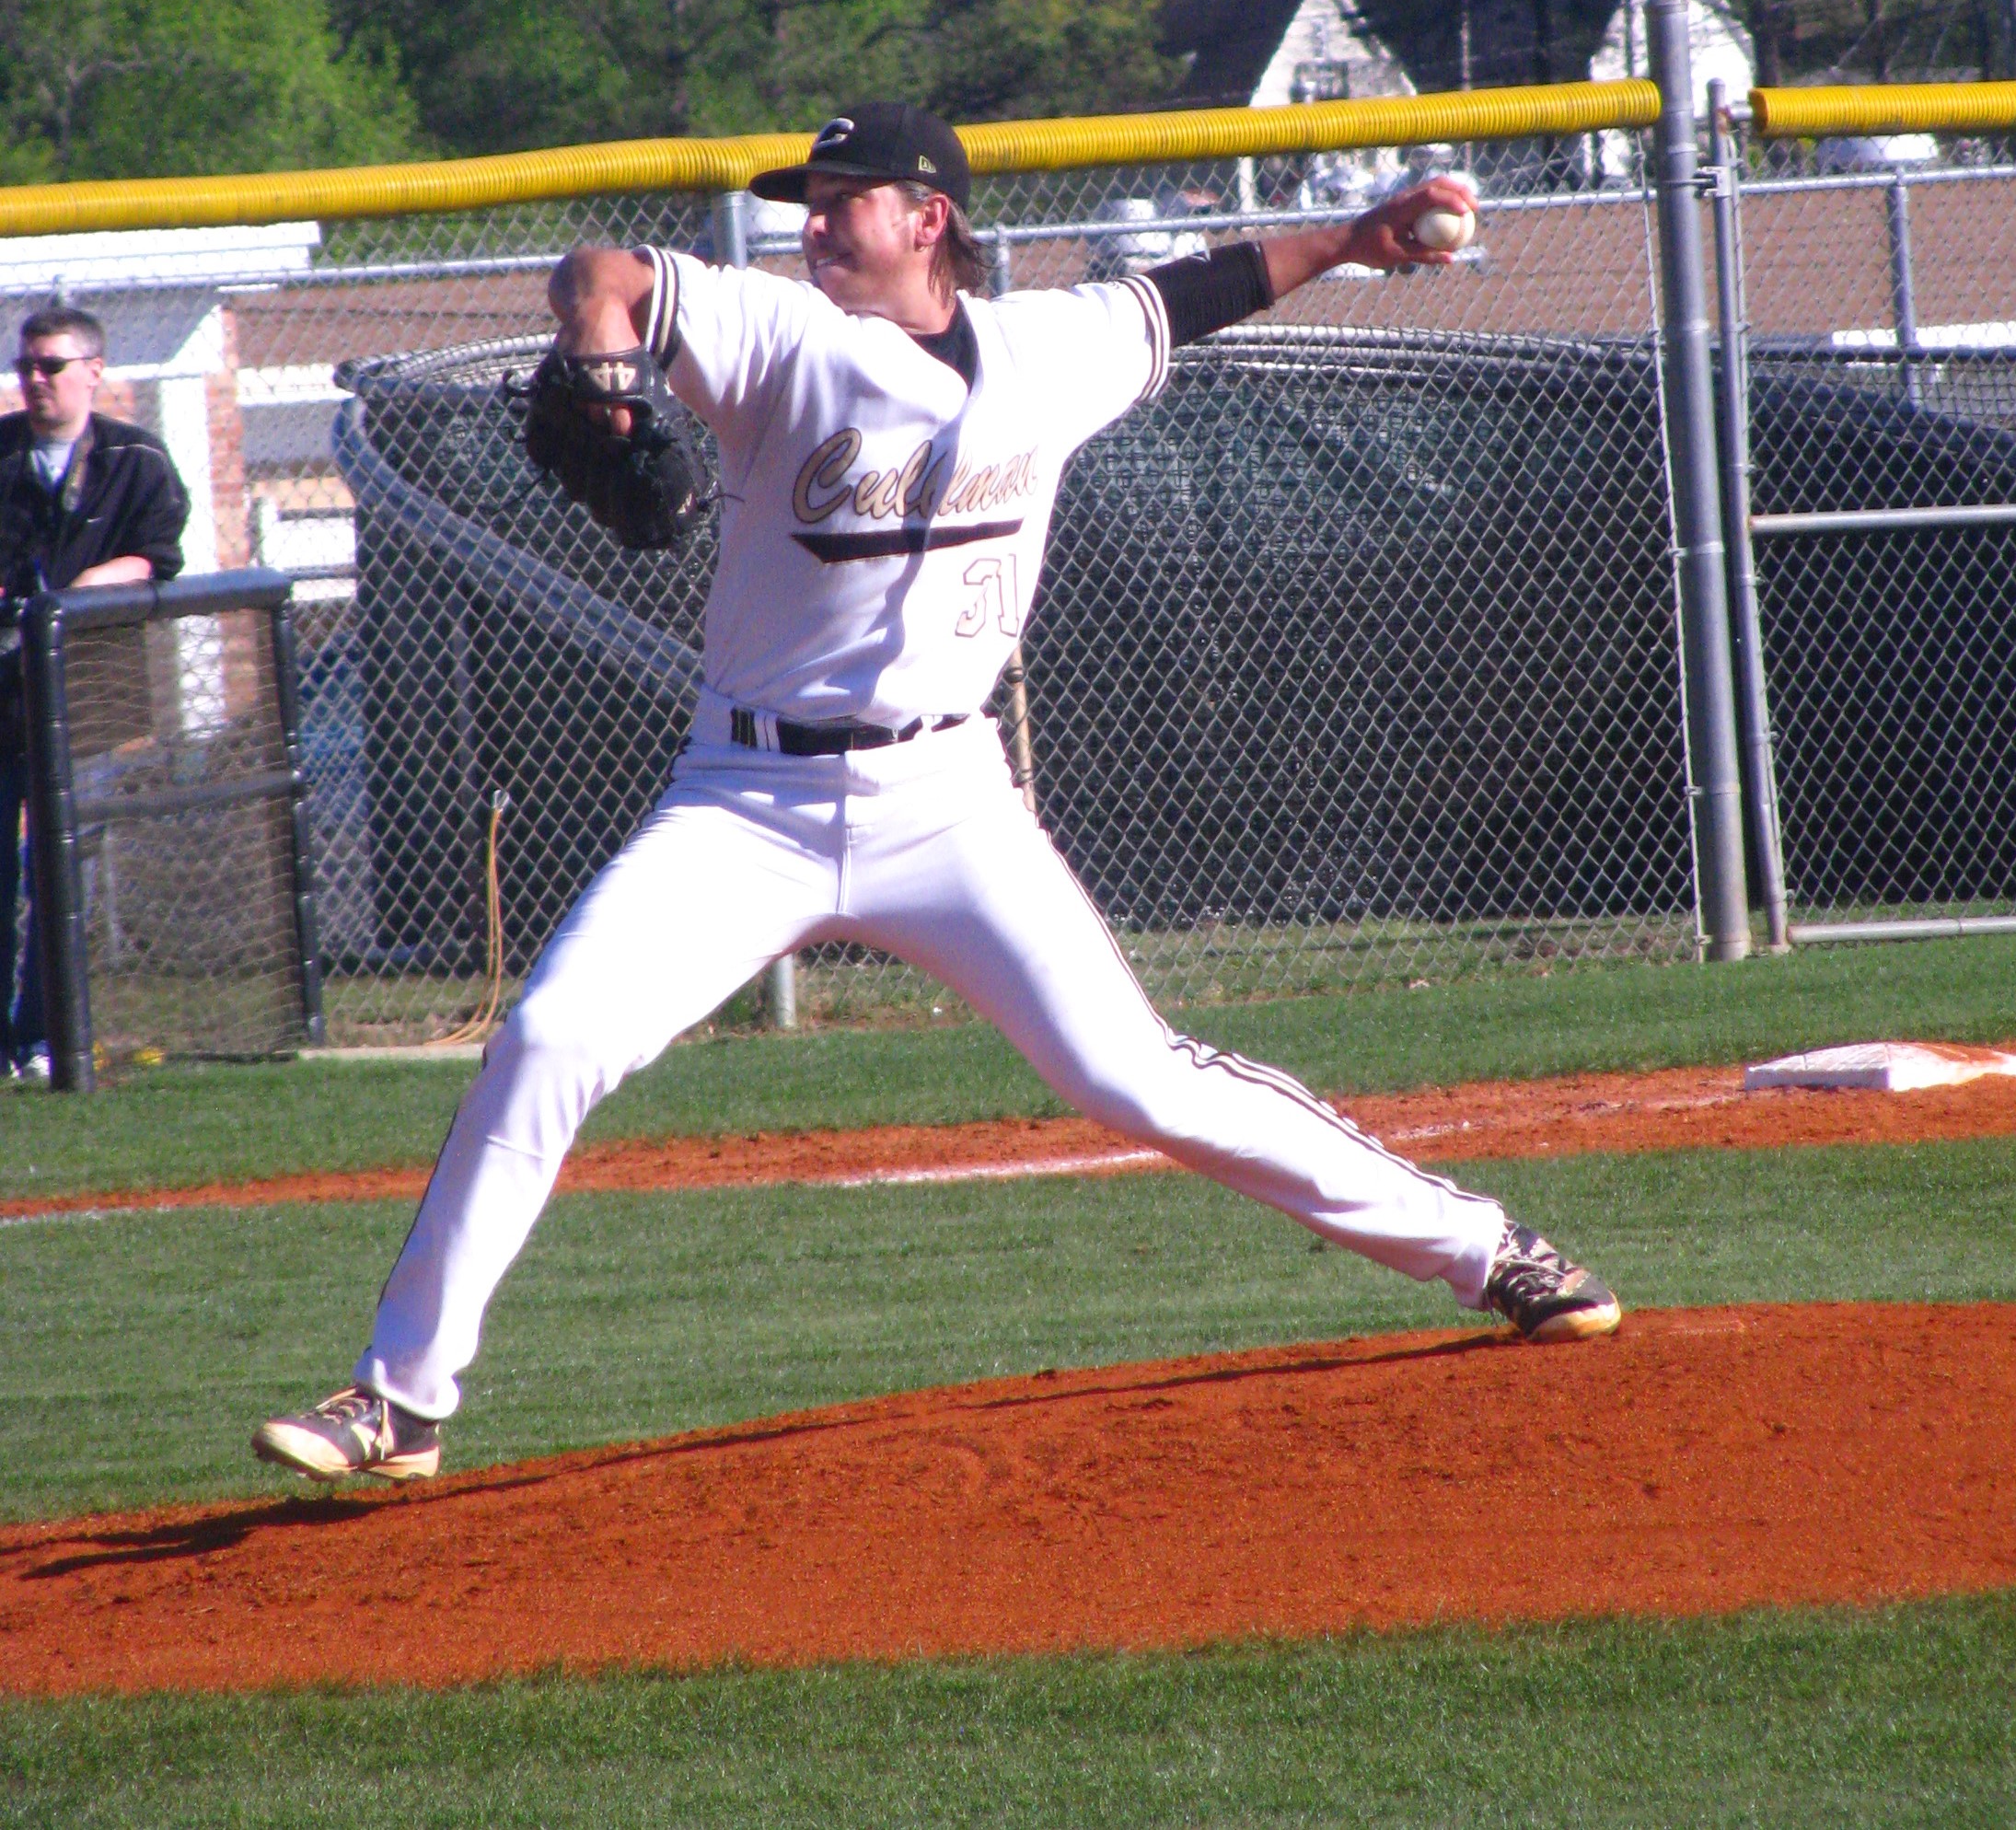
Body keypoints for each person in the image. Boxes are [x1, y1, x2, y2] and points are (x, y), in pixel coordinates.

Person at [253, 104, 1620, 1484]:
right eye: (808, 198)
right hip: (746, 800)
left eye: (843, 196)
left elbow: (1195, 293)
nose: (813, 222)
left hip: (947, 798)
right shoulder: (781, 335)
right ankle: (401, 1399)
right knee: (550, 1038)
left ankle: (1484, 1246)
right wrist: (602, 357)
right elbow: (601, 271)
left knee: (1136, 1076)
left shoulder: (1051, 350)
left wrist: (1352, 240)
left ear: (928, 217)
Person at [0, 306, 190, 1081]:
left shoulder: (134, 459)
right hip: (5, 689)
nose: (35, 380)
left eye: (51, 365)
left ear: (94, 370)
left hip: (86, 688)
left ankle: (43, 1036)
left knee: (60, 871)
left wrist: (78, 592)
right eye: (25, 366)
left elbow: (155, 556)